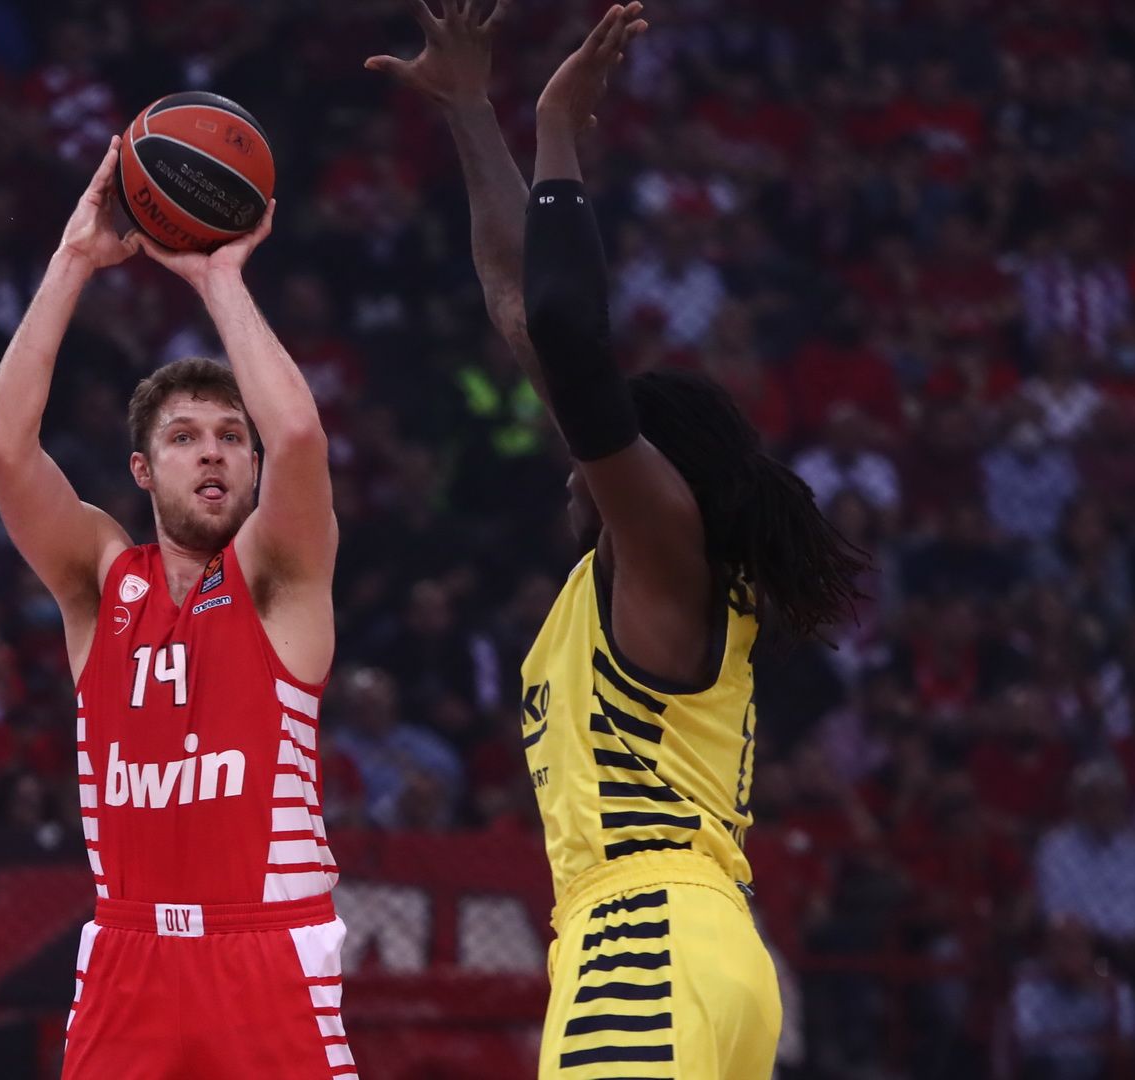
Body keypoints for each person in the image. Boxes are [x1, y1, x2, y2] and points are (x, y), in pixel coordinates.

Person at [370, 4, 867, 1075]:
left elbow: (566, 329)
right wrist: (470, 112)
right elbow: (522, 305)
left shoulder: (662, 545)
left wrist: (556, 131)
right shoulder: (659, 568)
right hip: (697, 938)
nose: (574, 459)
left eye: (599, 448)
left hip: (643, 938)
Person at [0, 136, 351, 1078]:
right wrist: (72, 261)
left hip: (266, 951)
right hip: (127, 956)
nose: (213, 451)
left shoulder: (279, 577)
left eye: (230, 436)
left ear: (252, 464)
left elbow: (299, 436)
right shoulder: (100, 579)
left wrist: (220, 280)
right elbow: (4, 450)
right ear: (143, 470)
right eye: (184, 437)